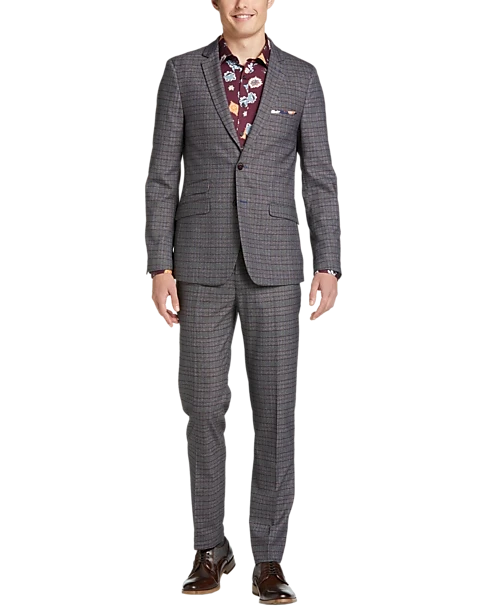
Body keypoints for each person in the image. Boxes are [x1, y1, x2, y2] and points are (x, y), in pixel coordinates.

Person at [145, 0, 342, 604]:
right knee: (204, 409)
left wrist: (328, 262)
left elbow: (319, 177)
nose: (242, 4)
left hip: (275, 264)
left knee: (275, 413)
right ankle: (210, 549)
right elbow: (162, 175)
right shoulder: (183, 73)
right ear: (215, 3)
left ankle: (270, 559)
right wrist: (158, 266)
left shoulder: (300, 77)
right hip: (199, 264)